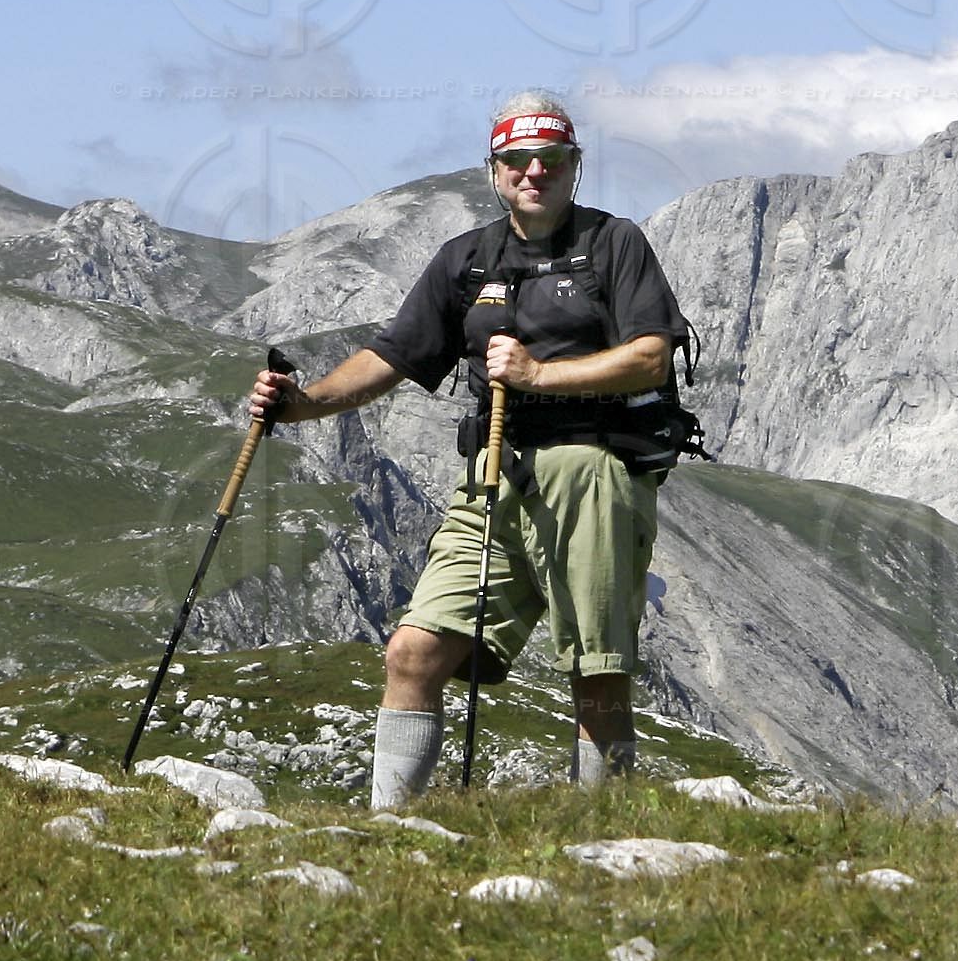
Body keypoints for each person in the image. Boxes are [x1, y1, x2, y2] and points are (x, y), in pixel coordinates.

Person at [251, 91, 686, 808]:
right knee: (413, 650)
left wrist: (539, 374)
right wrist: (303, 404)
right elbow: (393, 355)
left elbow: (650, 358)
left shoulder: (615, 243)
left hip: (595, 469)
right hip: (495, 475)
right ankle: (392, 832)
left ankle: (606, 837)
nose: (534, 171)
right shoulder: (467, 259)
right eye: (518, 160)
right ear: (495, 170)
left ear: (575, 166)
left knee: (596, 670)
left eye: (551, 159)